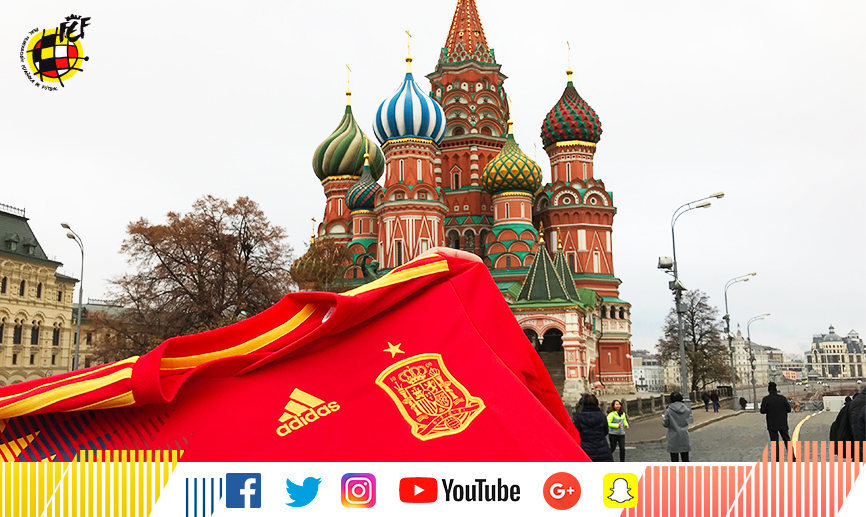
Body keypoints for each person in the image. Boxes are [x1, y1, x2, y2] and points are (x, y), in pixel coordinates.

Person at [572, 394, 613, 462]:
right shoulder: (601, 415)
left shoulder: (579, 417)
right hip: (601, 447)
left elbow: (577, 432)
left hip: (585, 448)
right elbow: (606, 430)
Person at [760, 382, 794, 460]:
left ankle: (777, 459)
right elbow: (789, 409)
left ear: (769, 391)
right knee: (787, 440)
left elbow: (762, 411)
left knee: (775, 442)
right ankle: (792, 458)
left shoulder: (766, 399)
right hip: (783, 423)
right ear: (776, 389)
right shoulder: (782, 398)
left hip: (772, 424)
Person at [662, 391, 692, 462]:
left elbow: (665, 424)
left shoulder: (669, 410)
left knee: (674, 460)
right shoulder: (687, 410)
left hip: (673, 437)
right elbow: (689, 420)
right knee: (685, 459)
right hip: (684, 436)